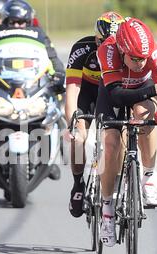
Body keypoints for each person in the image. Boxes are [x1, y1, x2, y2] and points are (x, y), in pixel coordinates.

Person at [96, 17, 157, 246]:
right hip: (113, 93)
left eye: (144, 58)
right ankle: (107, 210)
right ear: (122, 50)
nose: (141, 63)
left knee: (147, 115)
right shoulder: (107, 50)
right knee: (110, 144)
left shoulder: (154, 54)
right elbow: (117, 95)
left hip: (143, 89)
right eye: (135, 59)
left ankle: (148, 179)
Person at [65, 11, 125, 218]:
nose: (109, 47)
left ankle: (114, 180)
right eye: (103, 42)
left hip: (112, 92)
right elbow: (72, 89)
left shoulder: (125, 49)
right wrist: (72, 123)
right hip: (87, 92)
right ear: (97, 38)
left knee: (121, 135)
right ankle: (78, 184)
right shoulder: (82, 49)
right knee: (78, 138)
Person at [0, 0, 65, 93]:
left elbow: (53, 57)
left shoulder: (39, 34)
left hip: (34, 86)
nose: (16, 26)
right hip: (1, 86)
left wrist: (58, 75)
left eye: (20, 22)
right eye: (12, 22)